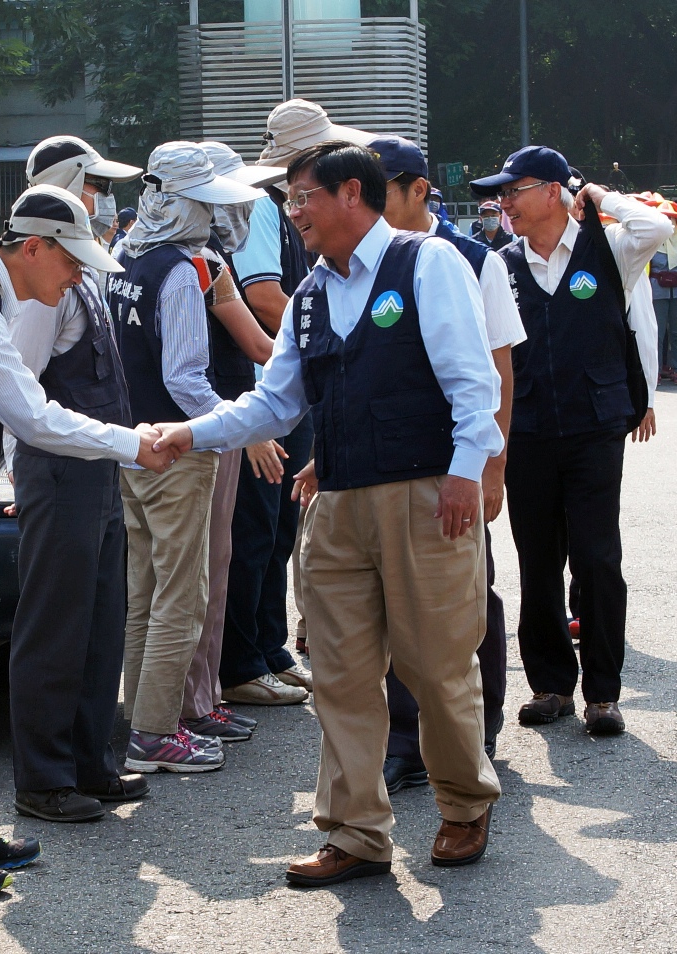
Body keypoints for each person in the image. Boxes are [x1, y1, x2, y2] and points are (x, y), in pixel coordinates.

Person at [152, 140, 505, 881]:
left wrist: (466, 475)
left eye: (301, 196)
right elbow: (275, 403)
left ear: (351, 193)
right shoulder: (310, 293)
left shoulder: (425, 262)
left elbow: (472, 381)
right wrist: (189, 433)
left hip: (424, 496)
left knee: (436, 667)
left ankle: (463, 803)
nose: (292, 213)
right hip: (337, 504)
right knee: (341, 675)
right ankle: (355, 832)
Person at [0, 185, 173, 890]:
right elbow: (30, 413)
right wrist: (127, 443)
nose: (78, 274)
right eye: (70, 261)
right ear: (33, 246)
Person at [470, 146, 666, 737]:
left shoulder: (609, 249)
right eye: (499, 193)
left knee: (598, 558)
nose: (503, 202)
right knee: (537, 560)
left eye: (515, 190)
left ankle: (603, 692)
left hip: (593, 428)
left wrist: (598, 194)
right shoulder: (498, 264)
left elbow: (656, 224)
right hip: (527, 430)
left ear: (554, 190)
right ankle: (551, 684)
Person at [0, 137, 150, 823]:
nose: (103, 199)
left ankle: (93, 760)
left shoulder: (82, 273)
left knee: (100, 623)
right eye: (94, 186)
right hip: (58, 473)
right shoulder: (41, 287)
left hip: (96, 474)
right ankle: (44, 777)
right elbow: (19, 393)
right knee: (55, 627)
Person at [367, 135, 524, 791]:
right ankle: (405, 739)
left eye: (382, 192)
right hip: (380, 465)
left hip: (450, 461)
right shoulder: (359, 258)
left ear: (419, 189)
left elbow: (498, 370)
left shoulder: (470, 258)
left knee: (464, 597)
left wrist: (490, 467)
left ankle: (475, 728)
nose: (369, 206)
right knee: (389, 605)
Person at [108, 141, 265, 773]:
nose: (214, 218)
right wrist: (234, 425)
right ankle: (155, 732)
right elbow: (187, 377)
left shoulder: (120, 256)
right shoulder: (177, 269)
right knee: (182, 593)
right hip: (178, 447)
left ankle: (141, 721)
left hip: (129, 444)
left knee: (144, 590)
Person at [219, 98, 369, 706]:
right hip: (272, 386)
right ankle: (244, 660)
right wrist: (328, 349)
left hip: (295, 381)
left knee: (282, 524)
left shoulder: (298, 207)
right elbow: (264, 296)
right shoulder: (262, 205)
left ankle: (271, 646)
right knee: (257, 526)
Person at [181, 140, 290, 743]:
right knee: (204, 571)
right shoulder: (189, 260)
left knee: (217, 564)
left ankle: (206, 693)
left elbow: (257, 347)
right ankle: (198, 698)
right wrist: (252, 422)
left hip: (213, 422)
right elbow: (200, 365)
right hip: (203, 429)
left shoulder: (203, 256)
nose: (241, 208)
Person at [26, 135, 143, 247]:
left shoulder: (91, 249)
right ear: (67, 186)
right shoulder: (33, 258)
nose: (108, 196)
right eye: (102, 185)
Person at [648, 200, 677, 384]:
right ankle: (656, 371)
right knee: (656, 333)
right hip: (656, 290)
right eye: (664, 219)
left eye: (672, 220)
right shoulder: (650, 240)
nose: (669, 223)